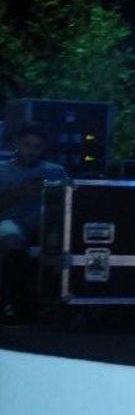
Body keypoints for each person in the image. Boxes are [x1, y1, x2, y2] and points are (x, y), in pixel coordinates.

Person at [0, 123, 68, 321]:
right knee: (13, 245)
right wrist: (18, 193)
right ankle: (19, 307)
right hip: (10, 221)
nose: (31, 151)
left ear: (43, 148)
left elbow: (70, 203)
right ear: (17, 144)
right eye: (27, 145)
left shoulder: (56, 172)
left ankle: (55, 304)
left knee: (64, 245)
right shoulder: (2, 170)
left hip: (46, 224)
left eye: (36, 146)